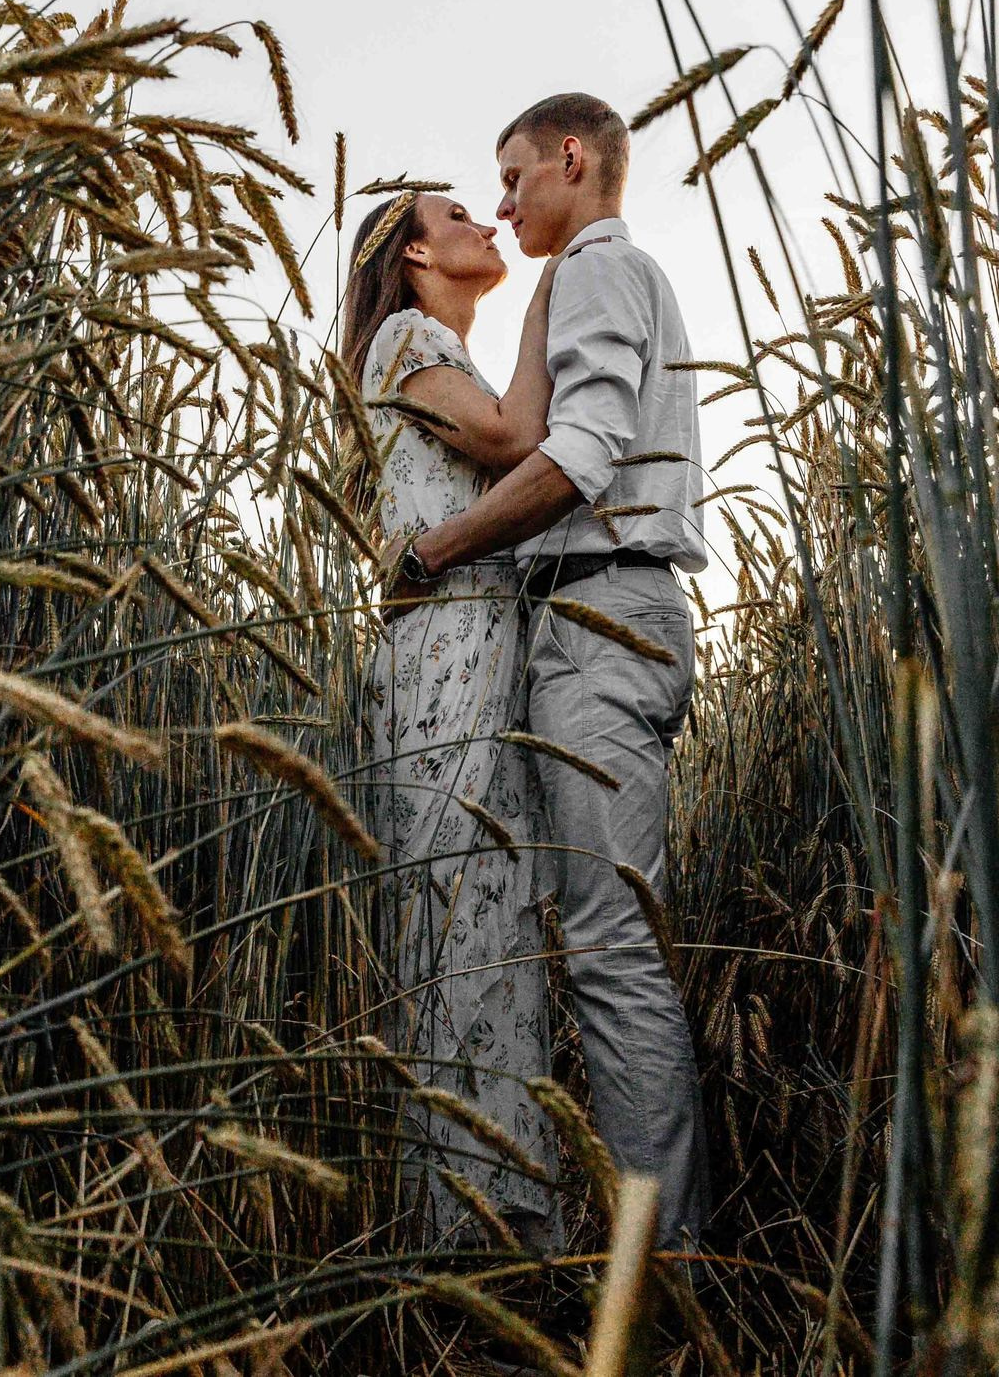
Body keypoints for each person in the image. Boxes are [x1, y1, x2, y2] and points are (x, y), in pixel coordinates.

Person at [394, 92, 711, 1244]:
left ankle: (661, 1267)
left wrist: (431, 552)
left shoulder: (593, 272)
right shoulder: (594, 276)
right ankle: (654, 1244)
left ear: (571, 159)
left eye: (514, 174)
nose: (503, 199)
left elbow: (576, 456)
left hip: (599, 621)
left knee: (611, 951)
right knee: (608, 938)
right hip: (603, 625)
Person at [345, 186, 564, 1249]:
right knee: (457, 909)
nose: (487, 222)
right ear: (415, 252)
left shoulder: (439, 346)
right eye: (457, 215)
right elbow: (513, 434)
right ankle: (466, 1222)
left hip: (479, 642)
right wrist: (553, 288)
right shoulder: (404, 334)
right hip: (443, 648)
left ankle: (503, 1204)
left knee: (493, 910)